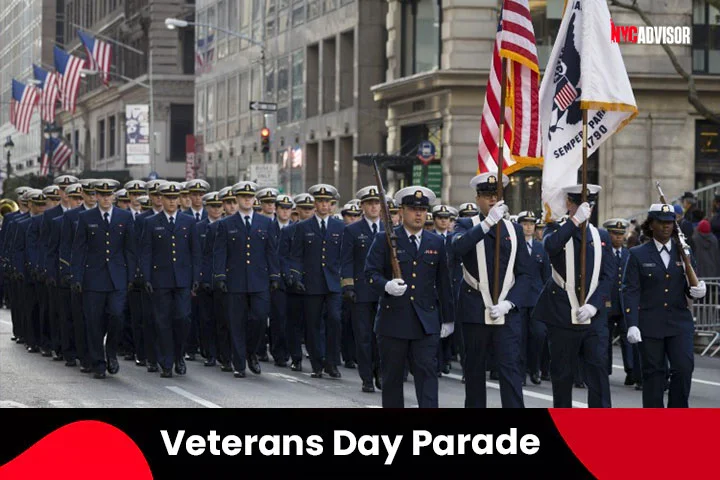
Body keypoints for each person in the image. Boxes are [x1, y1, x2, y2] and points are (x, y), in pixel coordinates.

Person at [365, 186, 454, 408]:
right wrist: (386, 285)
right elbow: (369, 274)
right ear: (402, 211)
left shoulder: (436, 242)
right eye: (414, 209)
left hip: (425, 322)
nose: (419, 214)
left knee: (427, 375)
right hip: (393, 321)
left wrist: (448, 318)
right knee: (393, 378)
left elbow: (444, 283)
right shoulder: (385, 239)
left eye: (423, 210)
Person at [451, 173, 531, 408]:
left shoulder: (514, 229)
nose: (492, 200)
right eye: (487, 196)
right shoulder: (467, 224)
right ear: (477, 199)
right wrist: (486, 224)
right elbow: (457, 248)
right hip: (475, 308)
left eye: (496, 195)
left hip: (506, 312)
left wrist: (510, 302)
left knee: (511, 370)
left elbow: (526, 273)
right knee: (475, 372)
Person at [533, 184, 613, 408]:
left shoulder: (601, 236)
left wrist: (595, 306)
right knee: (562, 374)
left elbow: (608, 277)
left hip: (593, 317)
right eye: (579, 203)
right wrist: (574, 221)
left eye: (589, 204)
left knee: (597, 370)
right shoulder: (555, 229)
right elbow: (551, 246)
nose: (585, 209)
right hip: (561, 314)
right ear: (569, 203)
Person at [623, 203, 706, 408]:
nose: (666, 227)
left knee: (684, 368)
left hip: (679, 322)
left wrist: (697, 291)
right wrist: (632, 323)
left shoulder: (683, 252)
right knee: (653, 374)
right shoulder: (638, 254)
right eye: (661, 222)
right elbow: (630, 290)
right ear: (651, 225)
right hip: (650, 323)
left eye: (670, 222)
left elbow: (689, 285)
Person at [213, 181, 280, 378]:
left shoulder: (266, 223)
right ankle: (239, 362)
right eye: (243, 197)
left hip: (259, 279)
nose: (247, 200)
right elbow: (220, 252)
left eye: (250, 197)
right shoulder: (226, 224)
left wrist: (275, 275)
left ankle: (252, 352)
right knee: (236, 322)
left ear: (254, 199)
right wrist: (220, 275)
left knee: (259, 318)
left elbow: (271, 251)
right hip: (235, 280)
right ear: (237, 199)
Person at [71, 179, 136, 379]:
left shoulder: (124, 216)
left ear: (114, 196)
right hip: (93, 278)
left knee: (117, 316)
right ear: (96, 196)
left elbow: (130, 249)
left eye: (109, 195)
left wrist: (131, 275)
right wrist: (77, 276)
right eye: (102, 195)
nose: (106, 198)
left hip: (117, 277)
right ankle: (98, 362)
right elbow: (79, 250)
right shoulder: (85, 217)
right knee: (94, 321)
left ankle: (111, 352)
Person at [140, 181, 201, 378]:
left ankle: (178, 356)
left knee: (182, 319)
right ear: (162, 199)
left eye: (175, 198)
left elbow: (195, 252)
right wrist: (147, 277)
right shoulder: (151, 222)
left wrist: (195, 277)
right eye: (168, 198)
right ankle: (167, 362)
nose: (172, 202)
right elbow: (146, 252)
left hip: (183, 279)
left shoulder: (188, 222)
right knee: (162, 321)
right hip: (161, 279)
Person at [288, 184, 344, 379]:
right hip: (312, 282)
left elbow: (345, 256)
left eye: (327, 202)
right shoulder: (303, 227)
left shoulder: (340, 226)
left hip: (334, 283)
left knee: (335, 321)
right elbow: (296, 256)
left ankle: (332, 362)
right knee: (313, 325)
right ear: (315, 204)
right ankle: (317, 363)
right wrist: (295, 276)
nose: (323, 205)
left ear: (331, 205)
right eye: (319, 202)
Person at [341, 186, 384, 392]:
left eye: (377, 203)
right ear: (362, 206)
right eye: (370, 203)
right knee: (364, 337)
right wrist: (348, 285)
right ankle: (367, 377)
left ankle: (380, 372)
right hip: (361, 291)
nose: (374, 207)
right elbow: (346, 260)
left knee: (382, 336)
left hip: (385, 291)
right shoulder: (352, 230)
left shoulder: (389, 229)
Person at [602, 218, 639, 387]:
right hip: (607, 302)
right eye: (614, 234)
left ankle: (630, 370)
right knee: (605, 337)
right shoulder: (602, 253)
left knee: (627, 338)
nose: (618, 237)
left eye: (621, 234)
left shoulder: (628, 254)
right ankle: (605, 369)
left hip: (624, 303)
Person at [517, 210, 550, 385]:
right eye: (525, 224)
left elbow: (546, 275)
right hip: (518, 299)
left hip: (536, 299)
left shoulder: (540, 247)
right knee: (520, 337)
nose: (528, 227)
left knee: (538, 335)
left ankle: (534, 367)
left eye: (531, 224)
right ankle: (521, 372)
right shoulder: (514, 245)